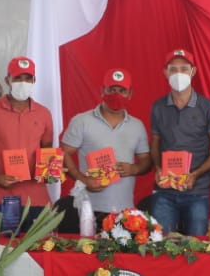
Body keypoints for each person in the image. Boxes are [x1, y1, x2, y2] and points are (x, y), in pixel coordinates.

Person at [148, 49, 210, 235]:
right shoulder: (158, 107)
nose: (178, 74)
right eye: (173, 69)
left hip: (196, 192)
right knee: (161, 246)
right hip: (164, 191)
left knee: (196, 249)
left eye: (184, 69)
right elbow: (155, 143)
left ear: (193, 72)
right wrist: (158, 168)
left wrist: (196, 174)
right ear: (165, 73)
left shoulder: (207, 107)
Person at [0, 56, 55, 230]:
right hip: (3, 199)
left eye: (27, 78)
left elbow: (47, 150)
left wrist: (49, 171)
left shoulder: (44, 113)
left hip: (39, 199)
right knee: (4, 254)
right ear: (7, 79)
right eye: (17, 78)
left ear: (34, 80)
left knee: (42, 253)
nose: (22, 82)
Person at [61, 68, 151, 223]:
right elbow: (63, 153)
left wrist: (134, 168)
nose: (116, 95)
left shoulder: (137, 126)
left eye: (121, 90)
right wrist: (82, 179)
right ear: (102, 90)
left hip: (125, 210)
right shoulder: (81, 121)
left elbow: (146, 160)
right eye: (111, 89)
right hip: (87, 208)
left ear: (130, 93)